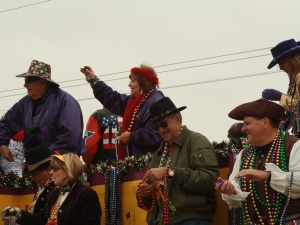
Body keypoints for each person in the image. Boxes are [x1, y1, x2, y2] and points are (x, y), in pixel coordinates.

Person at [215, 98, 300, 225]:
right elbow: (237, 195)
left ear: (265, 122)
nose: (243, 129)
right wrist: (230, 190)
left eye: (247, 123)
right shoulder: (244, 154)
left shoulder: (293, 145)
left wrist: (267, 175)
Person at [136, 97, 219, 225]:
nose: (161, 130)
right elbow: (146, 203)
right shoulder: (160, 152)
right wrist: (145, 193)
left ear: (178, 119)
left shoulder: (196, 141)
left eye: (164, 124)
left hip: (190, 219)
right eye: (157, 127)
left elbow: (210, 179)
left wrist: (169, 172)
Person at [0, 60, 86, 162]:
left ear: (43, 83)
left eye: (29, 80)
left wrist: (44, 156)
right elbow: (6, 122)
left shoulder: (65, 101)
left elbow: (69, 137)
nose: (25, 85)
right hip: (35, 167)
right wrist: (2, 144)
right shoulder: (25, 103)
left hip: (62, 168)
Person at [80, 64, 164, 160]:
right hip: (136, 164)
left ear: (143, 82)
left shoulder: (156, 102)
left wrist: (131, 136)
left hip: (150, 165)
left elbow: (156, 134)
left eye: (133, 81)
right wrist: (93, 80)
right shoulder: (134, 102)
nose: (129, 84)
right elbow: (113, 98)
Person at [2, 152, 102, 225]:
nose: (51, 172)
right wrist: (18, 212)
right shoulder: (53, 195)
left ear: (68, 170)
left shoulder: (86, 195)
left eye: (55, 168)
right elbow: (39, 221)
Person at [262, 38, 300, 136]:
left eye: (282, 63)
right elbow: (294, 108)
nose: (281, 68)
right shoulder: (293, 80)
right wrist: (284, 122)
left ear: (294, 59)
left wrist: (280, 97)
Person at [22, 128, 55, 214]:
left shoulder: (55, 190)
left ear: (49, 169)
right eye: (31, 174)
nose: (32, 178)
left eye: (35, 173)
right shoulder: (41, 188)